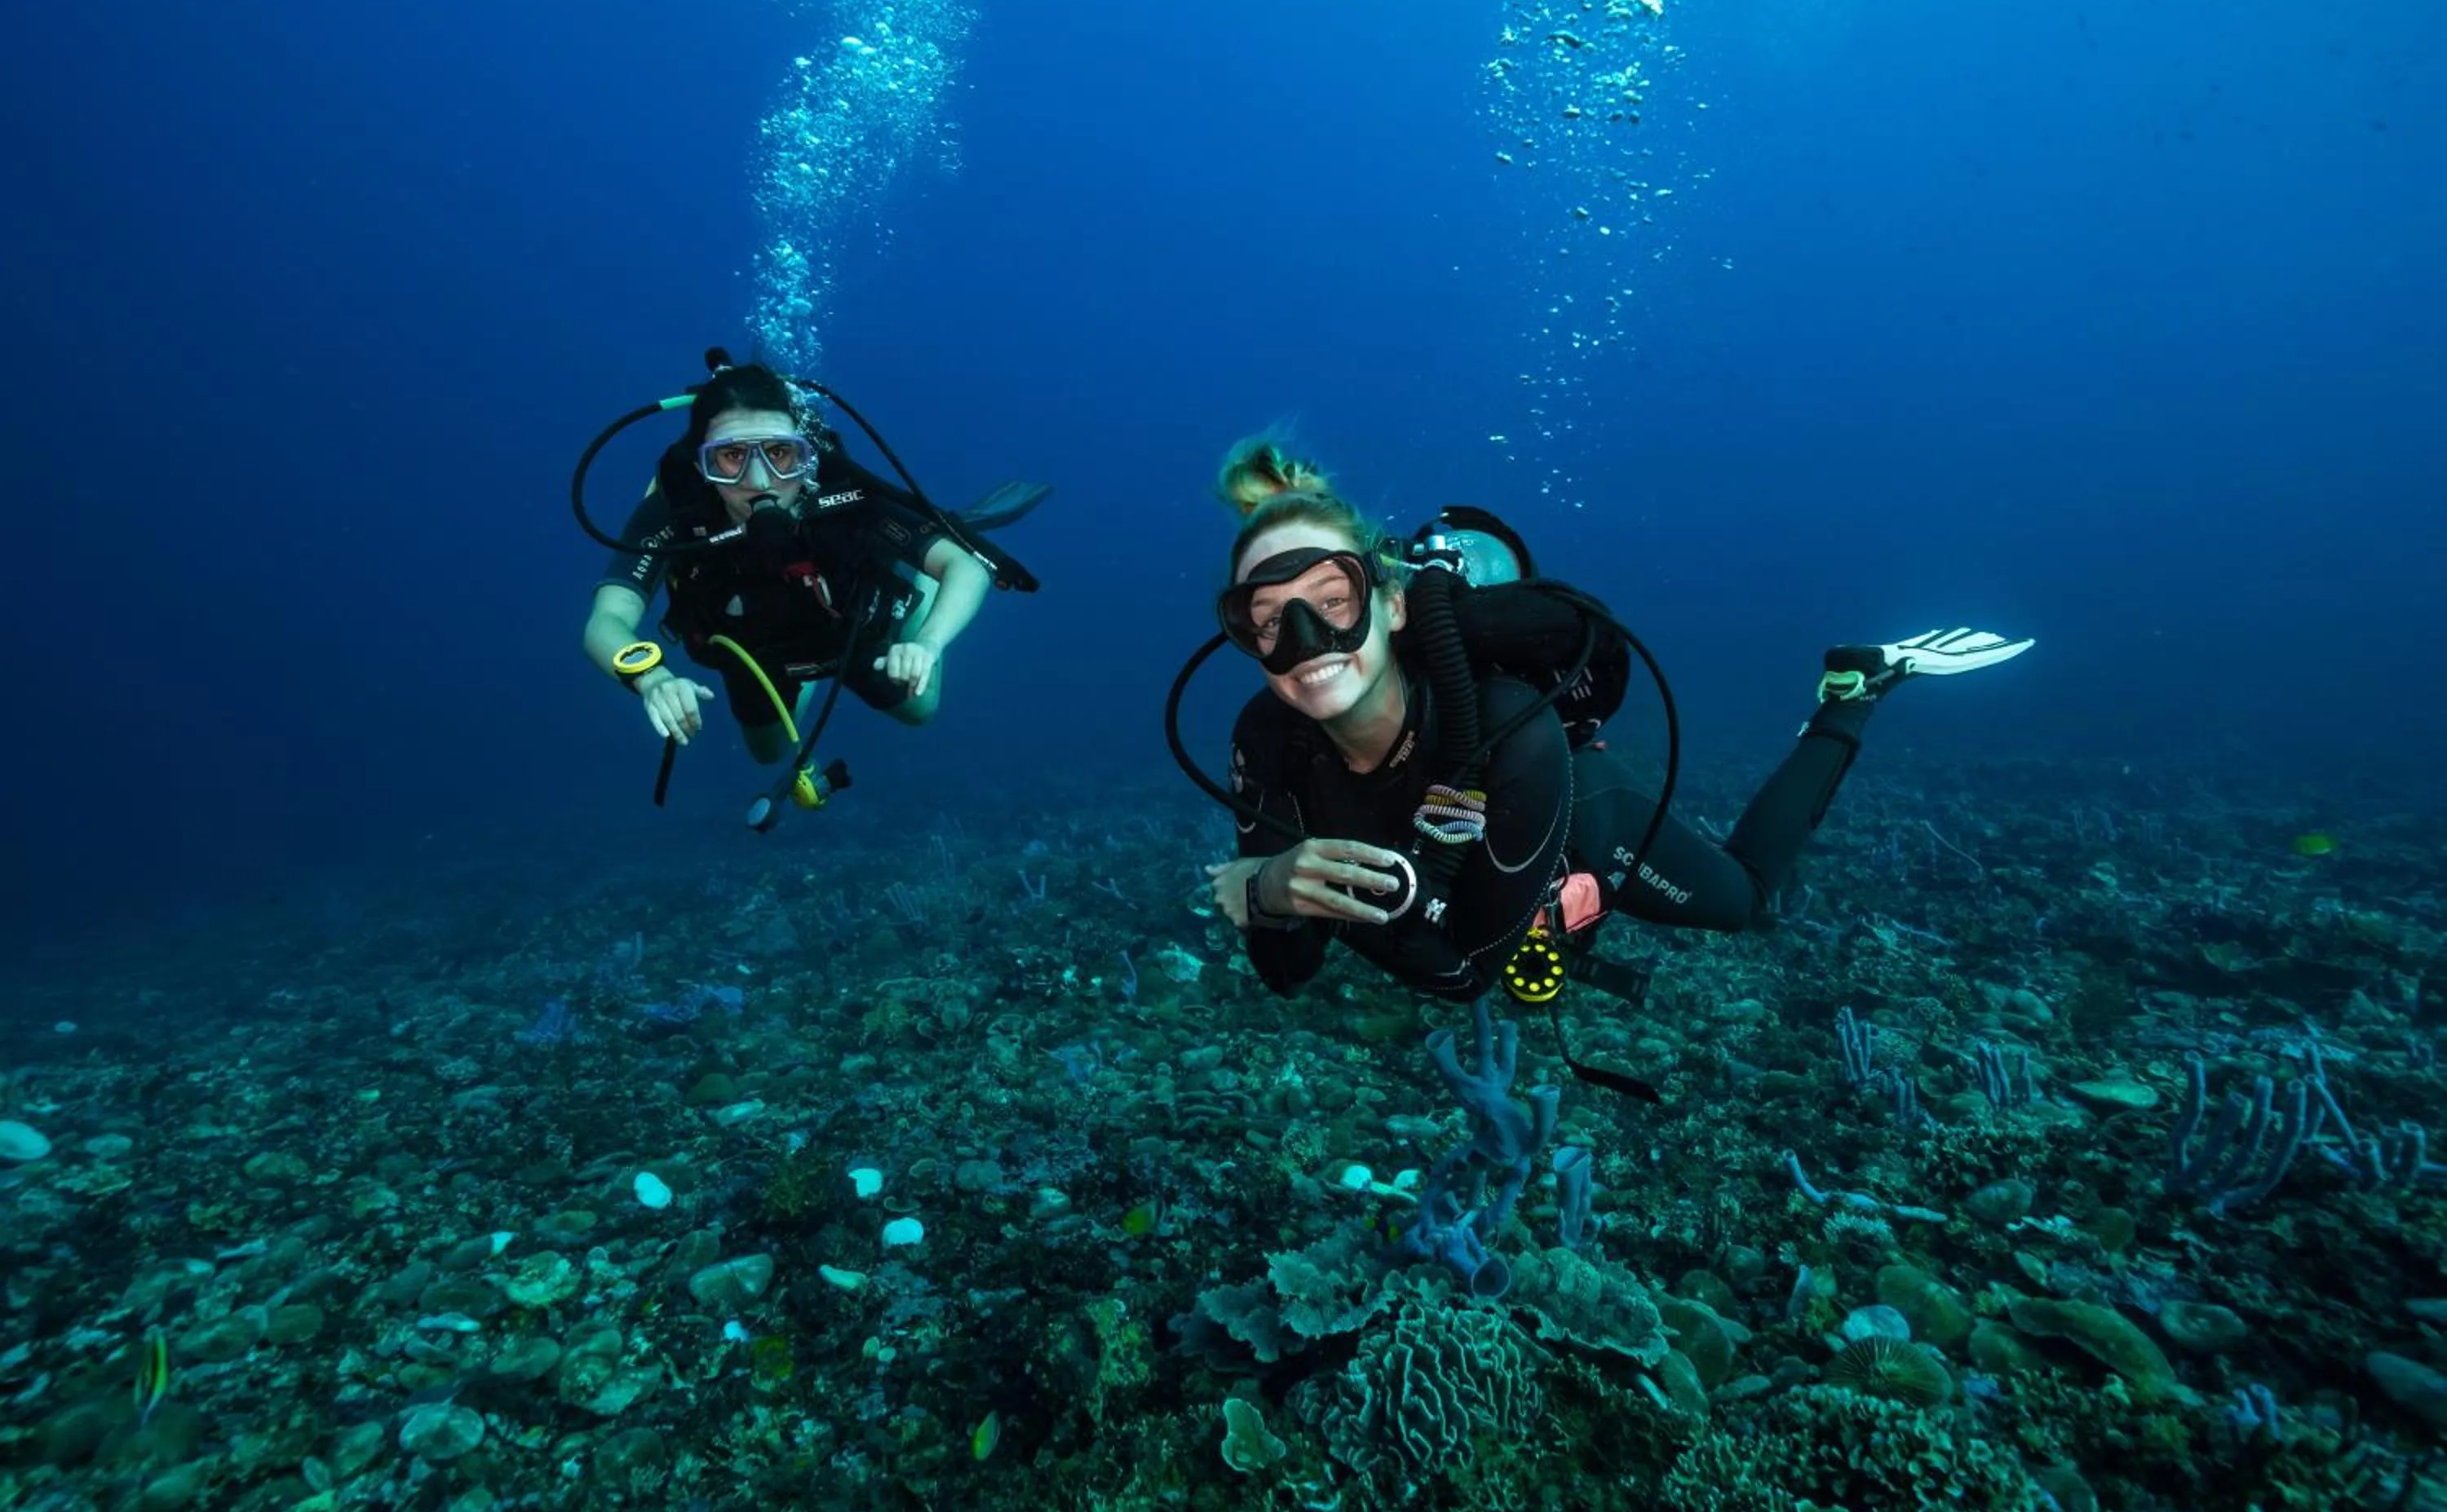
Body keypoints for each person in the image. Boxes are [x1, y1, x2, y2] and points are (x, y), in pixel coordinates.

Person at [1195, 435, 2033, 1006]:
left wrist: (1292, 894)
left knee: (1747, 901)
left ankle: (1853, 695)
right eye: (1267, 619)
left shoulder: (1503, 724)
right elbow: (1288, 970)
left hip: (1564, 810)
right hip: (1456, 848)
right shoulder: (1265, 738)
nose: (1305, 644)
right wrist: (1273, 891)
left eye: (1333, 603)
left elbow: (1468, 976)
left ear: (1395, 605)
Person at [580, 360, 1011, 763]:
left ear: (806, 456)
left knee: (920, 712)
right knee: (769, 754)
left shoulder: (840, 492)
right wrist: (651, 678)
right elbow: (606, 620)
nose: (760, 480)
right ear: (701, 464)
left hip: (855, 634)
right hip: (756, 656)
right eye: (731, 457)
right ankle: (800, 677)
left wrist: (927, 643)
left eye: (780, 453)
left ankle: (922, 576)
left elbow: (969, 566)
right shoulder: (674, 513)